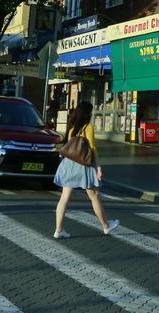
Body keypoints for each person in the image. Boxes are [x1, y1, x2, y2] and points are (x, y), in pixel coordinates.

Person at [51, 101, 118, 239]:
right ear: (88, 113)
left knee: (64, 198)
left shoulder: (72, 128)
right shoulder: (88, 127)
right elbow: (92, 148)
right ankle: (106, 226)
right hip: (83, 165)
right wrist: (98, 167)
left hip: (69, 164)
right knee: (94, 195)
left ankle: (58, 230)